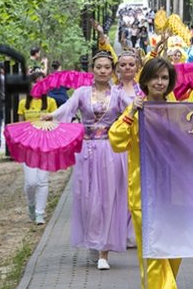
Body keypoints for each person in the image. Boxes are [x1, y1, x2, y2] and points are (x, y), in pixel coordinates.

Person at [109, 58, 181, 289]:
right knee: (151, 246)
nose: (160, 83)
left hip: (174, 188)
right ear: (146, 81)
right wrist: (130, 114)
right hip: (143, 189)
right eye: (155, 78)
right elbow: (117, 141)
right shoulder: (136, 108)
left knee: (174, 245)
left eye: (164, 78)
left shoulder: (177, 110)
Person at [43, 51, 129, 270]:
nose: (103, 71)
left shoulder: (118, 95)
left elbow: (133, 109)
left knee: (108, 197)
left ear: (113, 71)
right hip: (87, 150)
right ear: (93, 70)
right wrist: (53, 116)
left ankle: (104, 252)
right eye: (99, 67)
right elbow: (68, 108)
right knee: (87, 197)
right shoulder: (82, 92)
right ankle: (93, 239)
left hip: (110, 150)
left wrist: (145, 105)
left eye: (107, 67)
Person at [18, 71, 58, 225]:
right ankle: (31, 204)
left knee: (42, 181)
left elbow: (55, 124)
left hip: (45, 146)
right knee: (31, 182)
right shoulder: (23, 104)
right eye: (35, 82)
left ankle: (40, 213)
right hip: (28, 147)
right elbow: (20, 126)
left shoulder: (51, 102)